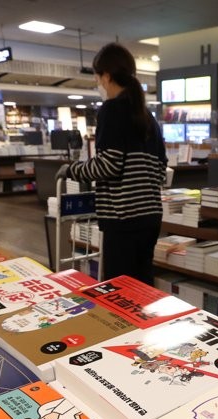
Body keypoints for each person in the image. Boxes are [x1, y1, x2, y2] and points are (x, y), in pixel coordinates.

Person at [65, 43, 167, 285]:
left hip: (123, 219)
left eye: (98, 78)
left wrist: (73, 169)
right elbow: (161, 167)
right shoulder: (147, 117)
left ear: (107, 76)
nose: (99, 84)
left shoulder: (112, 110)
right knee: (142, 288)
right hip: (150, 218)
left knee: (120, 291)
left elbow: (109, 165)